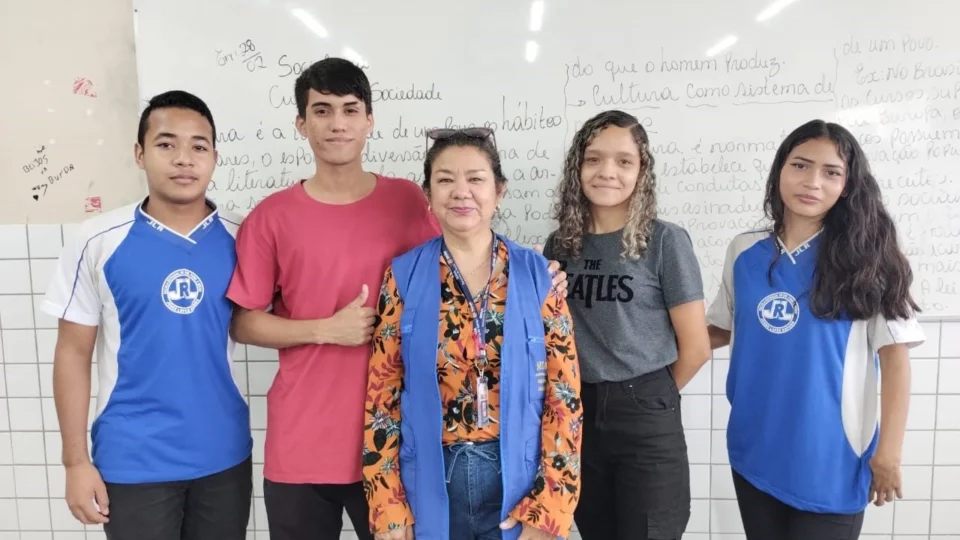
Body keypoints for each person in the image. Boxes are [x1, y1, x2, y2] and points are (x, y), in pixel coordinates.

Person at [226, 58, 568, 540]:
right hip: (307, 443)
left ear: (370, 119)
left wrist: (541, 276)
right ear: (301, 123)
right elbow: (243, 323)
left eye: (350, 109)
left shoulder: (408, 202)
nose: (338, 123)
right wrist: (325, 329)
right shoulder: (272, 217)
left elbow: (465, 250)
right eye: (321, 111)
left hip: (411, 453)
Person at [41, 90, 253, 540]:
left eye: (199, 146)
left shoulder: (243, 237)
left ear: (215, 157)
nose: (184, 159)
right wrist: (75, 462)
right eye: (165, 144)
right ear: (140, 154)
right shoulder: (97, 240)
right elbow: (72, 353)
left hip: (224, 455)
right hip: (133, 460)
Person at [706, 119, 925, 540]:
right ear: (779, 171)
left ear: (848, 184)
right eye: (800, 166)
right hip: (755, 445)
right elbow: (720, 328)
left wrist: (889, 454)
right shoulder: (743, 249)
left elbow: (895, 357)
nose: (812, 182)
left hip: (833, 456)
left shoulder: (872, 257)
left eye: (831, 172)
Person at [362, 127, 583, 540]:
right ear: (427, 194)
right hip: (429, 482)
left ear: (499, 191)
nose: (460, 191)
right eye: (445, 179)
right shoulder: (404, 276)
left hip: (519, 482)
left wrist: (549, 510)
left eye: (476, 179)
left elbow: (565, 397)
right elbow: (382, 396)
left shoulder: (538, 275)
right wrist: (387, 506)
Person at [542, 109, 711, 540]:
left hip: (646, 411)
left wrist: (646, 400)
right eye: (594, 159)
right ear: (577, 166)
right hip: (577, 412)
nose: (607, 172)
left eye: (623, 161)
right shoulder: (561, 244)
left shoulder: (665, 241)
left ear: (642, 171)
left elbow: (696, 347)